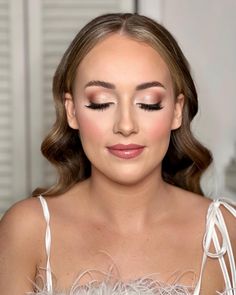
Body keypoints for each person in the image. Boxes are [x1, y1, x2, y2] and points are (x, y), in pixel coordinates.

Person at [0, 13, 235, 295]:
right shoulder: (28, 230)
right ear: (72, 111)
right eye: (101, 103)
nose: (125, 126)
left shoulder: (226, 233)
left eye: (149, 103)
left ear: (176, 111)